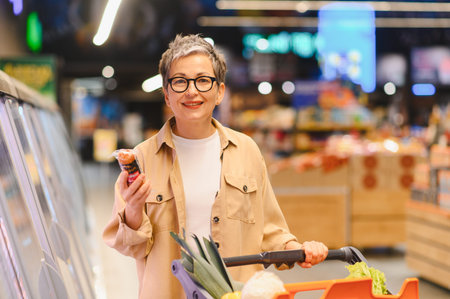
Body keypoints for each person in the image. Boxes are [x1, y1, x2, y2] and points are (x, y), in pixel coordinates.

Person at [103, 34, 328, 299]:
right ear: (166, 94)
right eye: (179, 82)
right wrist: (132, 209)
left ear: (219, 91)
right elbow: (132, 248)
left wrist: (298, 248)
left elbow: (268, 229)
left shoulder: (246, 151)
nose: (191, 91)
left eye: (202, 80)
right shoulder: (141, 159)